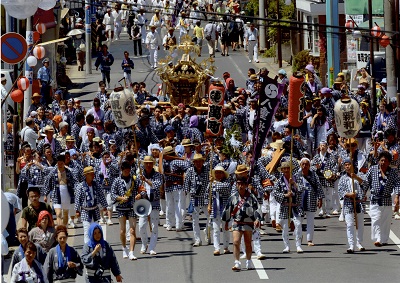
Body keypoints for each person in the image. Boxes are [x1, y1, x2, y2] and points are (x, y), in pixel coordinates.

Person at [222, 174, 261, 271]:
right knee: (236, 241)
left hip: (248, 222)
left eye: (242, 184)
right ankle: (237, 262)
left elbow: (257, 209)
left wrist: (257, 219)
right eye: (238, 184)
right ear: (236, 185)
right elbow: (228, 209)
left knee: (248, 242)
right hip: (237, 222)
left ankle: (248, 260)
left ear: (246, 185)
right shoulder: (233, 197)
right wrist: (226, 222)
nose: (240, 186)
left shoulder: (251, 197)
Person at [364, 151, 400, 247]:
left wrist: (397, 196)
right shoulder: (373, 169)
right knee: (376, 219)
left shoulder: (393, 172)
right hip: (375, 199)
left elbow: (397, 184)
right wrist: (363, 193)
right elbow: (366, 182)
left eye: (386, 161)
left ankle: (384, 239)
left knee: (386, 220)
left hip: (387, 200)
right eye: (382, 160)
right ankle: (378, 239)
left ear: (389, 162)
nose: (383, 163)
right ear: (379, 161)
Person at [273, 161, 304, 253]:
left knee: (298, 224)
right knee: (285, 227)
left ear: (291, 169)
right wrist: (285, 195)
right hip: (285, 206)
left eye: (288, 168)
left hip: (295, 205)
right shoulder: (279, 181)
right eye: (284, 169)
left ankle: (298, 245)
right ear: (282, 170)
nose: (286, 170)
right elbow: (275, 193)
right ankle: (287, 246)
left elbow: (302, 189)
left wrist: (294, 183)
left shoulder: (297, 178)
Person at [111, 161, 138, 260]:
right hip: (121, 207)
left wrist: (140, 194)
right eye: (125, 169)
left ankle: (131, 251)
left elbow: (141, 190)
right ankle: (124, 248)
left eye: (128, 169)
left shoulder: (135, 179)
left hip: (132, 206)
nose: (127, 171)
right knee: (122, 230)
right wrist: (120, 198)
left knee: (132, 230)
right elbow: (112, 194)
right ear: (122, 170)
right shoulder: (117, 180)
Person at [136, 156, 163, 255]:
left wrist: (146, 180)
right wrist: (139, 194)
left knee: (154, 226)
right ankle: (144, 244)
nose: (148, 165)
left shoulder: (158, 175)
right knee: (142, 226)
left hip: (154, 202)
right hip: (144, 202)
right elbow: (139, 188)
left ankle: (152, 247)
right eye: (146, 163)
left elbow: (156, 185)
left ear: (153, 164)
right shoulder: (140, 176)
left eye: (150, 163)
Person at [294, 158, 324, 246]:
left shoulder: (314, 175)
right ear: (300, 165)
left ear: (309, 166)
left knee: (310, 221)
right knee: (298, 222)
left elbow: (318, 187)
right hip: (299, 201)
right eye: (303, 164)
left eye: (306, 164)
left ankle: (309, 240)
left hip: (311, 200)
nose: (304, 166)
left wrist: (320, 198)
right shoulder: (296, 175)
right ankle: (298, 237)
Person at [338, 158, 366, 253]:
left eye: (349, 164)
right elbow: (340, 191)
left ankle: (359, 243)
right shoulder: (343, 178)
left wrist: (356, 178)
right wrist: (348, 194)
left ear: (352, 165)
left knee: (360, 224)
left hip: (359, 202)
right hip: (348, 203)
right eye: (345, 165)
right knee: (350, 224)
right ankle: (351, 245)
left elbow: (365, 185)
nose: (347, 166)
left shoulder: (360, 175)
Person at [75, 166, 108, 243]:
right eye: (91, 174)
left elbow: (101, 196)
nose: (93, 176)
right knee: (87, 231)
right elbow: (77, 199)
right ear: (86, 175)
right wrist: (77, 210)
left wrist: (104, 206)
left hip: (95, 210)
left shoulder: (96, 185)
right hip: (85, 211)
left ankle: (96, 246)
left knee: (96, 230)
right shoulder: (80, 186)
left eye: (93, 174)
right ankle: (87, 248)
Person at [183, 153, 210, 246]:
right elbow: (186, 183)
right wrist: (186, 192)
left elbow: (211, 182)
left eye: (200, 161)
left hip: (205, 197)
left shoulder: (207, 170)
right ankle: (197, 239)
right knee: (195, 220)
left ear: (202, 162)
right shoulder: (190, 171)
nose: (198, 163)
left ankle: (207, 231)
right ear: (194, 163)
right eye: (196, 162)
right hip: (194, 198)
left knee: (210, 217)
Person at [43, 154, 77, 226]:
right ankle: (60, 230)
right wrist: (45, 194)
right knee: (58, 214)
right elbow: (47, 182)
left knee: (65, 213)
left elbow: (75, 182)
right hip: (56, 194)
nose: (60, 165)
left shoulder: (69, 172)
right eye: (58, 163)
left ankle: (64, 229)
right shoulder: (53, 172)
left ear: (64, 163)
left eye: (61, 163)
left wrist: (76, 191)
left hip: (66, 194)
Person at [208, 166, 231, 255]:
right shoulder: (211, 183)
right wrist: (209, 205)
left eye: (220, 172)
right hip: (215, 209)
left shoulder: (226, 182)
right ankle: (217, 248)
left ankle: (226, 246)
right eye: (216, 172)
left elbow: (224, 188)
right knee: (216, 229)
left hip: (225, 209)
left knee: (226, 229)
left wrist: (213, 183)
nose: (218, 174)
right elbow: (208, 194)